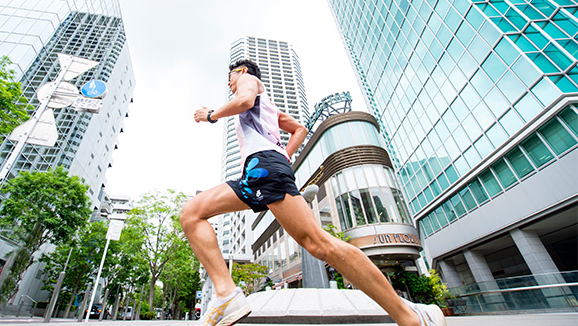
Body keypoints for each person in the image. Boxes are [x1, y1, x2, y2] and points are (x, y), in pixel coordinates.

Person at [181, 60, 445, 326]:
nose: (229, 82)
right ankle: (226, 293)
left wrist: (212, 115)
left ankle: (410, 317)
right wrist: (283, 155)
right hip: (255, 174)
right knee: (192, 213)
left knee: (319, 244)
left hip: (265, 169)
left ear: (243, 72)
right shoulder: (269, 107)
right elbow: (299, 129)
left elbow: (246, 100)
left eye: (231, 76)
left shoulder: (248, 83)